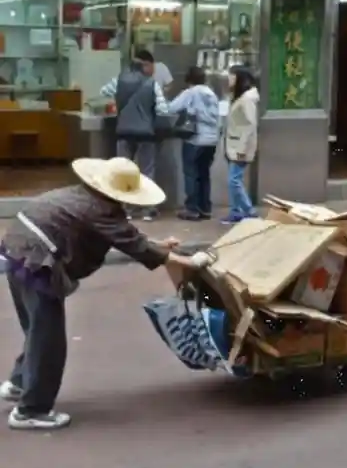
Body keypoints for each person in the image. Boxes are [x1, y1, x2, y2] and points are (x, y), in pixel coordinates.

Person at [0, 157, 203, 431]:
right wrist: (188, 262)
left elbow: (123, 236)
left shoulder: (82, 195)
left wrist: (159, 245)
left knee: (37, 327)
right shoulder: (103, 210)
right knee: (48, 336)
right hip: (38, 261)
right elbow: (134, 245)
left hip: (16, 250)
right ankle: (31, 410)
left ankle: (20, 382)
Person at [100, 49, 169, 222]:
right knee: (146, 171)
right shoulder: (152, 83)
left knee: (124, 171)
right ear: (143, 68)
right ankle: (147, 210)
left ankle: (126, 209)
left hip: (123, 132)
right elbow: (163, 109)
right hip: (146, 134)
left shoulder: (119, 81)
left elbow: (103, 92)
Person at [168, 66, 220, 221]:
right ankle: (205, 208)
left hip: (195, 139)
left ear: (189, 79)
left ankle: (192, 209)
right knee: (204, 174)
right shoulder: (212, 94)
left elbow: (172, 107)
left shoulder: (190, 93)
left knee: (191, 174)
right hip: (211, 140)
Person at [222, 65, 259, 225]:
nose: (229, 79)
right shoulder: (239, 97)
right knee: (234, 179)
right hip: (233, 144)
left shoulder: (247, 100)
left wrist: (242, 148)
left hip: (240, 146)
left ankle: (248, 210)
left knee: (234, 180)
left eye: (232, 76)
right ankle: (235, 211)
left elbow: (250, 125)